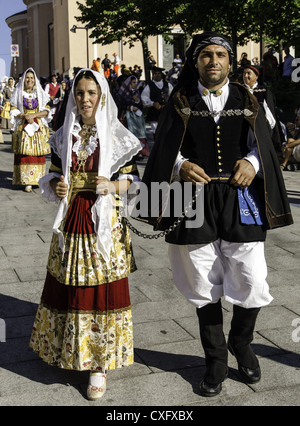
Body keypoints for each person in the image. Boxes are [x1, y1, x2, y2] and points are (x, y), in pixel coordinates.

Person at [141, 32, 293, 397]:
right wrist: (180, 166)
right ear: (196, 62)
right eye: (206, 55)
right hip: (192, 198)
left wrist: (253, 162)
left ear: (230, 61)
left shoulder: (248, 98)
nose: (213, 61)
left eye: (220, 55)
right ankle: (215, 359)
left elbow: (266, 145)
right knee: (201, 280)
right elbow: (163, 146)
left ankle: (241, 344)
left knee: (253, 278)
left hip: (241, 197)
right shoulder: (181, 99)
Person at [29, 69, 142, 401]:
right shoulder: (65, 134)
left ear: (102, 95)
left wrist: (112, 185)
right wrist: (56, 183)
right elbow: (51, 173)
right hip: (72, 219)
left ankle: (99, 363)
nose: (85, 99)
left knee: (100, 291)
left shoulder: (116, 134)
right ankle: (71, 349)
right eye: (79, 93)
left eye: (91, 93)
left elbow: (134, 182)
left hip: (102, 222)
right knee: (69, 286)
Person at [10, 68, 51, 193]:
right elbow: (13, 109)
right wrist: (24, 116)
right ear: (23, 80)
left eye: (32, 78)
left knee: (37, 154)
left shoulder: (40, 93)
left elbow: (47, 110)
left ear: (35, 80)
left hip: (37, 125)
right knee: (26, 154)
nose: (29, 80)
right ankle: (27, 180)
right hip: (24, 126)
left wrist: (34, 115)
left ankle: (38, 179)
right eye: (27, 77)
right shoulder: (19, 94)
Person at [243, 65, 285, 151]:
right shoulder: (239, 91)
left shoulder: (264, 92)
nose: (245, 76)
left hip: (261, 128)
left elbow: (270, 113)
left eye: (248, 73)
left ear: (256, 76)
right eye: (244, 73)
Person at [117, 75, 149, 156]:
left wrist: (137, 101)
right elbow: (120, 104)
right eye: (133, 82)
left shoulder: (136, 92)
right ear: (129, 83)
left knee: (139, 132)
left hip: (136, 117)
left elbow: (141, 106)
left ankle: (139, 151)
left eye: (136, 83)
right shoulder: (122, 92)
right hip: (126, 117)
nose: (135, 84)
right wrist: (130, 107)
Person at [141, 66, 173, 135]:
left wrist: (168, 104)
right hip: (154, 113)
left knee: (166, 131)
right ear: (153, 75)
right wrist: (152, 103)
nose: (157, 75)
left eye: (159, 73)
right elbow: (144, 97)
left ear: (161, 74)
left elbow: (172, 96)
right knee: (156, 132)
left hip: (166, 111)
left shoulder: (167, 85)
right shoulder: (149, 86)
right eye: (155, 74)